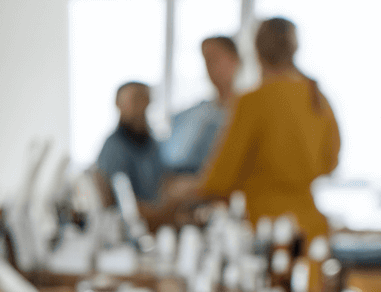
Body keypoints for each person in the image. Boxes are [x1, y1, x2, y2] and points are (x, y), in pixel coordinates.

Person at [196, 17, 341, 238]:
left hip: (265, 230)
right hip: (311, 228)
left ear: (256, 52)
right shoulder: (317, 98)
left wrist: (187, 189)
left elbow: (220, 178)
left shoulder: (252, 101)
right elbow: (330, 162)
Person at [162, 35, 241, 176]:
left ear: (235, 60)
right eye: (207, 61)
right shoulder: (195, 115)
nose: (211, 67)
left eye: (215, 59)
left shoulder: (251, 108)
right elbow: (173, 160)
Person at [94, 81, 166, 215]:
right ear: (119, 104)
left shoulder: (152, 145)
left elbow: (162, 185)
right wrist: (162, 212)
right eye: (136, 100)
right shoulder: (114, 148)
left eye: (146, 100)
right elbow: (118, 205)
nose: (142, 107)